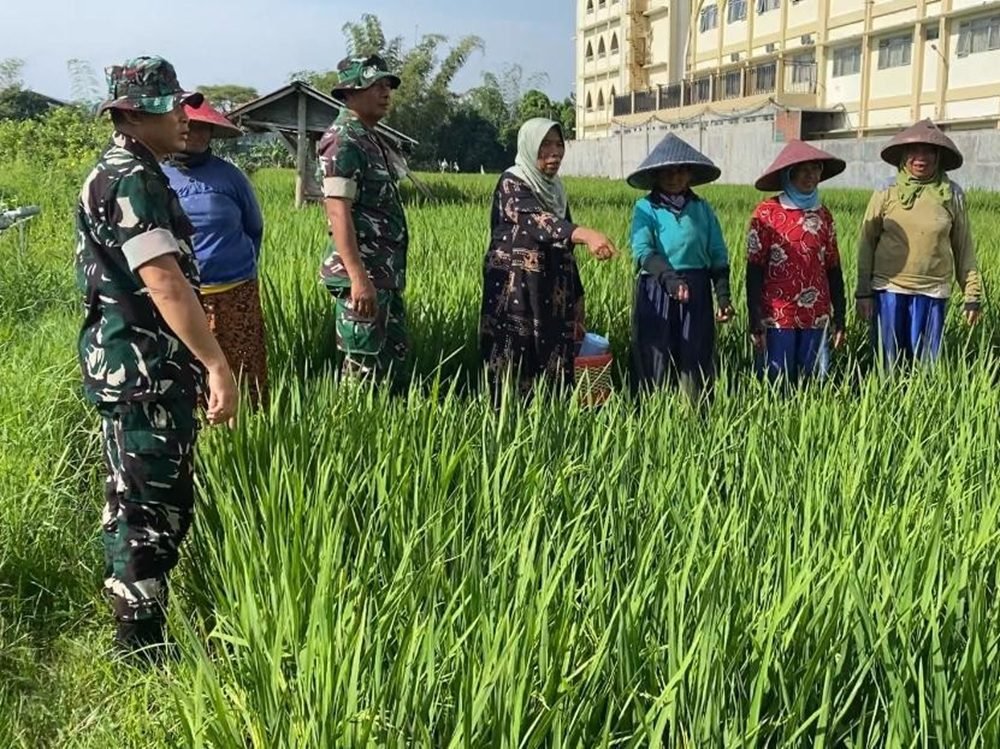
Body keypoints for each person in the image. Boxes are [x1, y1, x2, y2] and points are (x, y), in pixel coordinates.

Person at [76, 56, 238, 660]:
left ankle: (132, 624)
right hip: (146, 371)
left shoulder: (114, 169)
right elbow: (164, 282)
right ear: (136, 112)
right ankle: (141, 647)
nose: (184, 117)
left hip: (128, 367)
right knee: (151, 506)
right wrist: (216, 363)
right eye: (172, 106)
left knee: (130, 497)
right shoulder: (133, 178)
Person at [479, 117, 616, 405]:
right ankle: (505, 427)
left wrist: (577, 294)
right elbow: (537, 221)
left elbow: (563, 246)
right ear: (529, 147)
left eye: (559, 144)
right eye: (545, 145)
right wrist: (585, 234)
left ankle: (550, 425)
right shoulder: (512, 182)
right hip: (515, 291)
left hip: (551, 290)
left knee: (553, 362)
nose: (554, 152)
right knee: (514, 360)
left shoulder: (556, 190)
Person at [162, 100, 268, 408]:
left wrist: (241, 271)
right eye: (191, 126)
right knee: (189, 371)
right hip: (182, 296)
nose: (196, 134)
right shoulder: (158, 177)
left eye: (204, 128)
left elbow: (254, 228)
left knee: (243, 367)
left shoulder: (231, 177)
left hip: (235, 292)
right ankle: (200, 436)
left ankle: (248, 432)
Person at [856, 119, 982, 367]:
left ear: (938, 157)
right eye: (914, 150)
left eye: (928, 151)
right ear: (904, 155)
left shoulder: (951, 193)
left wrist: (972, 294)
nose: (920, 157)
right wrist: (863, 292)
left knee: (925, 364)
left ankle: (923, 404)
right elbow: (866, 242)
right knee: (886, 363)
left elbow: (963, 246)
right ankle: (884, 402)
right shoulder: (886, 191)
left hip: (932, 291)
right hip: (889, 290)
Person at [319, 54, 409, 386]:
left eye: (388, 86)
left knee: (390, 369)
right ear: (351, 91)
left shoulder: (370, 137)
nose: (386, 92)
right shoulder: (344, 139)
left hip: (382, 275)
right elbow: (337, 210)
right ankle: (356, 435)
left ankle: (392, 434)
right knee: (363, 371)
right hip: (364, 277)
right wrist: (358, 277)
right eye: (377, 85)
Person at [627, 133, 733, 402]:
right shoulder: (645, 207)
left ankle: (695, 415)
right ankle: (652, 412)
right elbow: (642, 251)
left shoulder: (701, 209)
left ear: (689, 174)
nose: (673, 177)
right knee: (655, 353)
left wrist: (723, 297)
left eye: (680, 171)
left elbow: (718, 254)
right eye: (666, 171)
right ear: (655, 175)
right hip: (656, 286)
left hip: (696, 288)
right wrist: (669, 279)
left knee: (695, 352)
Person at [747, 140, 848, 385]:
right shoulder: (767, 213)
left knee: (814, 384)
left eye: (814, 169)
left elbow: (833, 267)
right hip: (778, 315)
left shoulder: (824, 215)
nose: (809, 175)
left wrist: (840, 315)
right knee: (776, 383)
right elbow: (754, 269)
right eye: (801, 169)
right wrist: (755, 317)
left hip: (816, 314)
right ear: (787, 174)